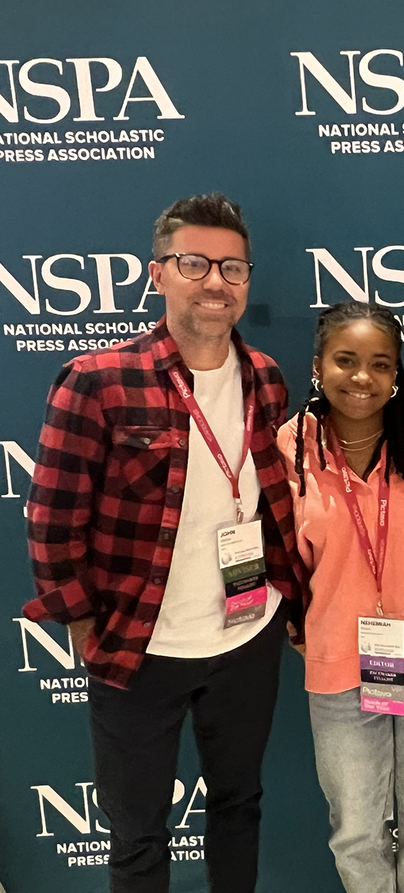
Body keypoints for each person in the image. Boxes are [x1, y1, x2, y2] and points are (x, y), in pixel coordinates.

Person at [23, 193, 304, 893]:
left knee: (238, 807)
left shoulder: (266, 378)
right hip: (140, 649)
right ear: (158, 274)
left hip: (248, 638)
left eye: (232, 267)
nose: (215, 281)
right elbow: (52, 516)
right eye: (195, 263)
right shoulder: (98, 381)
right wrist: (87, 622)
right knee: (139, 834)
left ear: (247, 279)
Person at [277, 302, 404, 893]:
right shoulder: (292, 447)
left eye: (380, 364)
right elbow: (280, 556)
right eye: (346, 360)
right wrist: (298, 626)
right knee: (356, 832)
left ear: (397, 374)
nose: (362, 377)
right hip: (339, 668)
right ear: (317, 366)